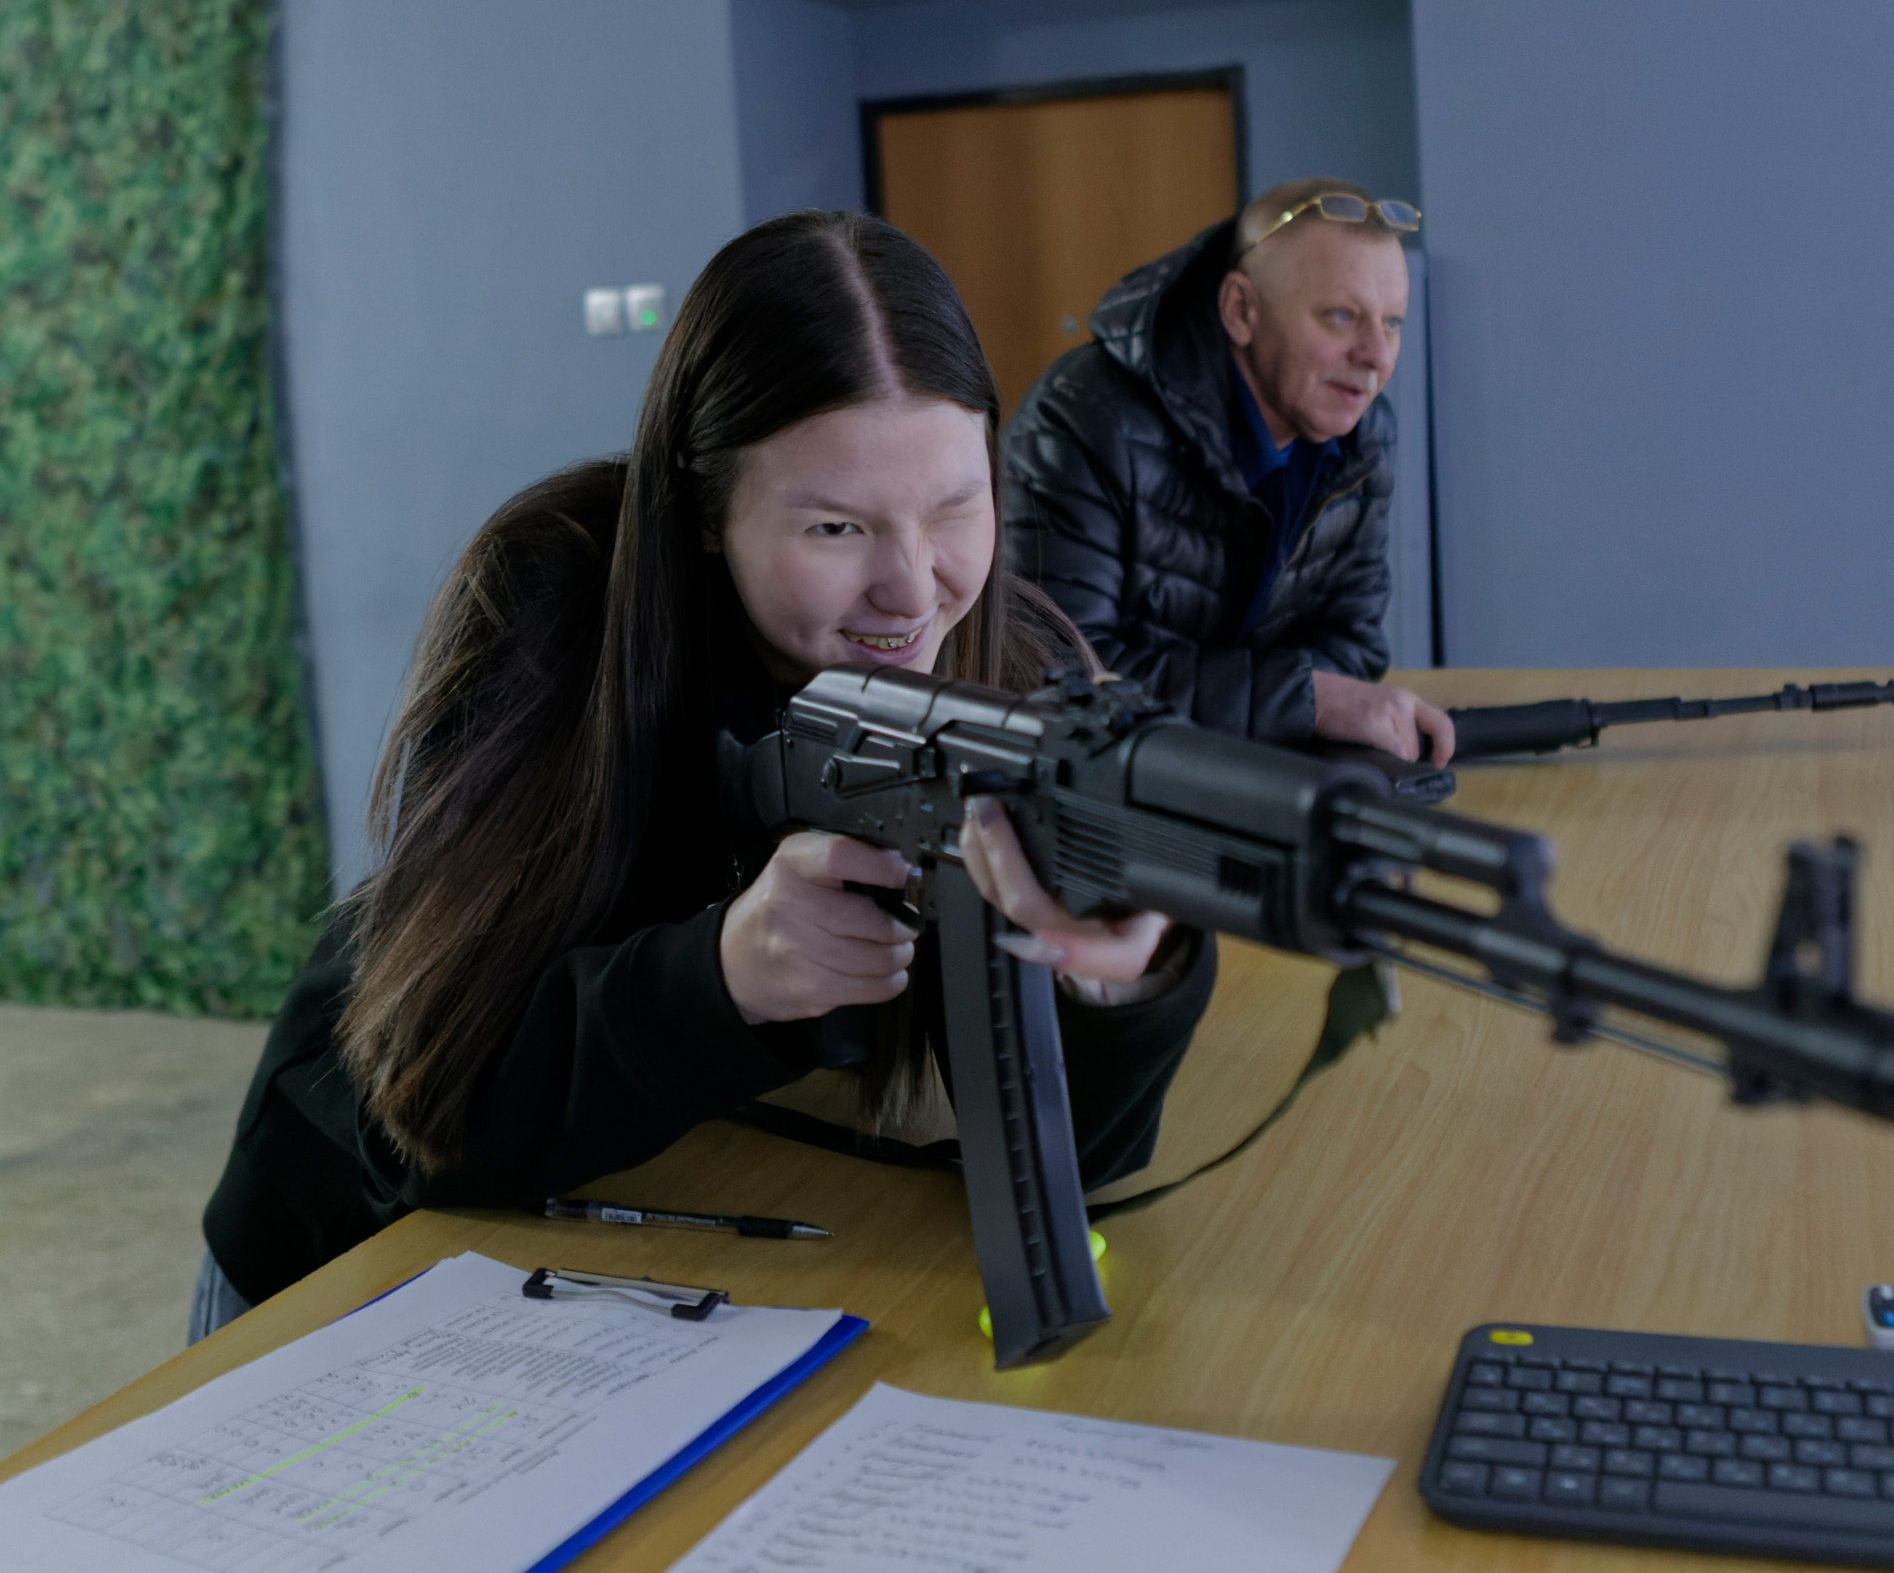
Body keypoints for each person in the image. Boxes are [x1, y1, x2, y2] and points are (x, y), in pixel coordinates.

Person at [191, 212, 1213, 1339]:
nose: (914, 589)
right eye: (834, 525)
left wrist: (1112, 977)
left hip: (623, 1250)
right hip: (338, 1252)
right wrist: (720, 978)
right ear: (701, 513)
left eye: (955, 505)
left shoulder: (1005, 659)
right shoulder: (556, 596)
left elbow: (1062, 1159)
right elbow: (419, 1116)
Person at [1002, 177, 1454, 768]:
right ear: (1241, 310)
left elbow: (1352, 642)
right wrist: (1302, 700)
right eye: (1342, 317)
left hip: (1256, 783)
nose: (1377, 356)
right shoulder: (1081, 419)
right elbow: (1052, 675)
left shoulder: (1364, 435)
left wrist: (1297, 702)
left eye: (1391, 321)